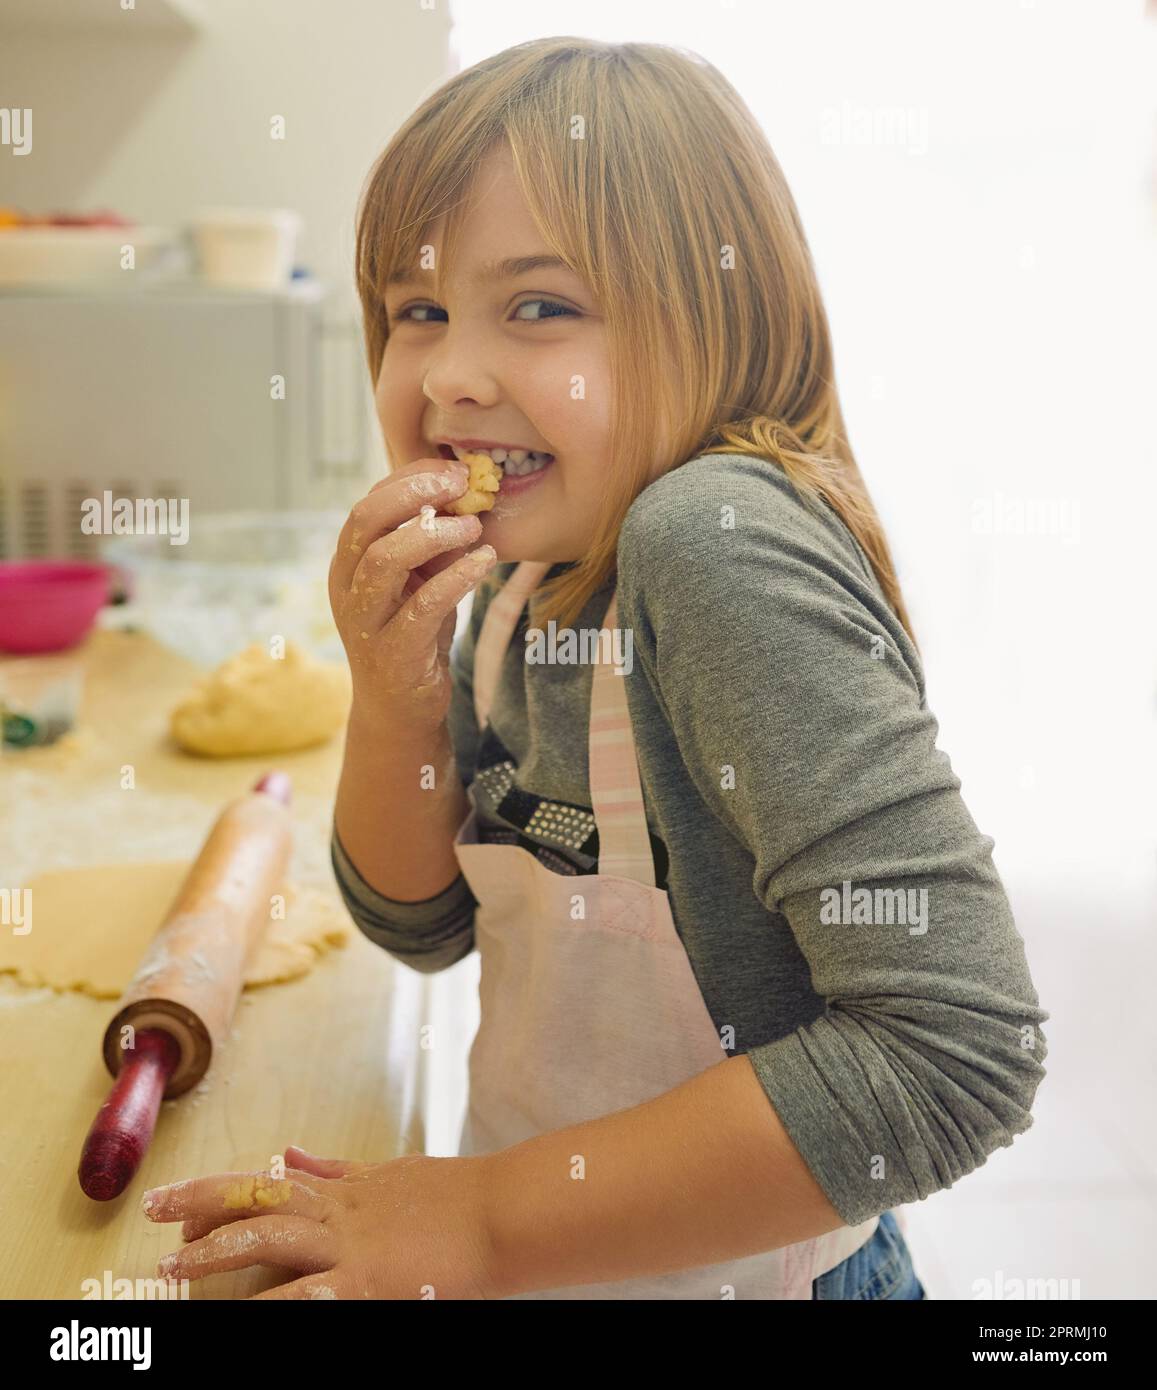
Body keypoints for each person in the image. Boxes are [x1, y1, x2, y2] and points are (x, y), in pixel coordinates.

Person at [143, 37, 1047, 1301]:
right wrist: (391, 699)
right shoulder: (525, 573)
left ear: (713, 316)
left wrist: (475, 1223)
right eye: (417, 312)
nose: (450, 373)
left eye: (539, 306)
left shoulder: (707, 544)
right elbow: (422, 926)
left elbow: (955, 1055)